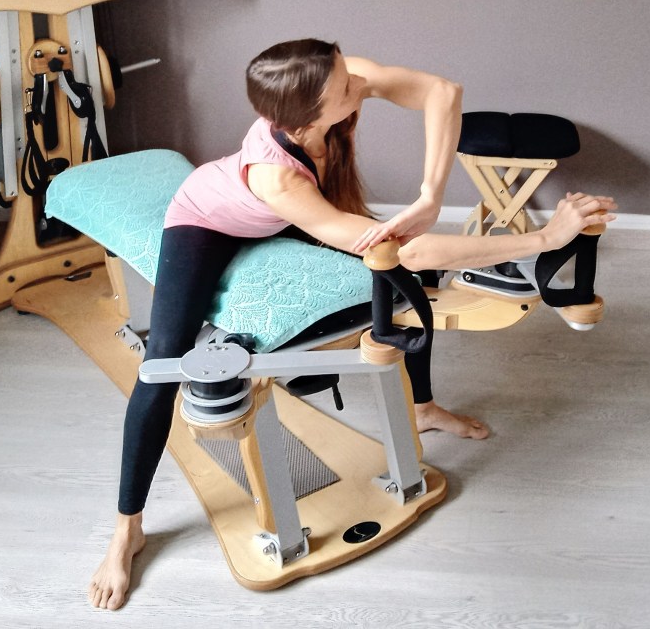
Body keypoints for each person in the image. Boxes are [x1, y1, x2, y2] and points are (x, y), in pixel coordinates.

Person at [89, 38, 615, 610]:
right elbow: (404, 251)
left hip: (288, 214)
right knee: (162, 364)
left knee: (407, 290)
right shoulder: (278, 179)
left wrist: (430, 196)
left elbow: (444, 92)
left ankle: (422, 409)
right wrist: (546, 238)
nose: (359, 84)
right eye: (346, 87)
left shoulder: (331, 85)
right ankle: (127, 530)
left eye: (347, 73)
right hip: (206, 221)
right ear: (307, 118)